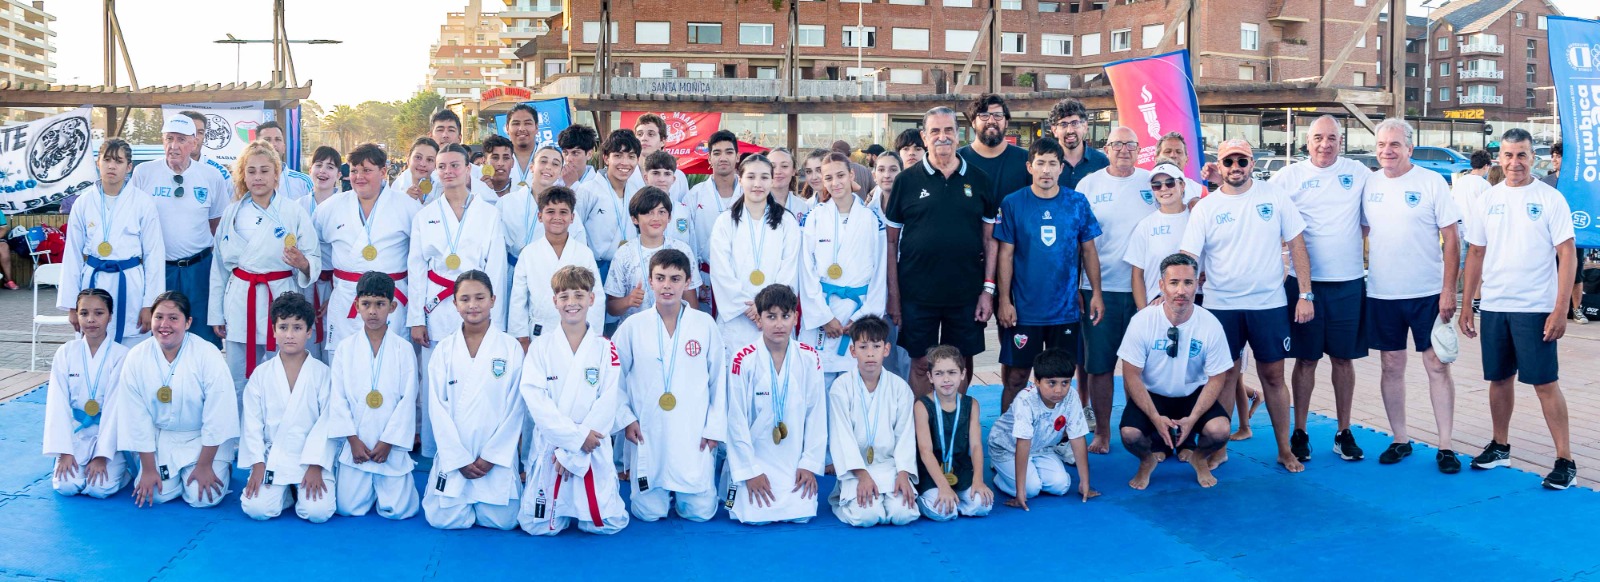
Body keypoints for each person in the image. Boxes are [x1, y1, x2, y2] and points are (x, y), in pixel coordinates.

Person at [1180, 138, 1313, 473]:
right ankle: (1219, 447)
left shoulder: (1273, 196)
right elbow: (1190, 257)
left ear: (1252, 163)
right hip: (1221, 305)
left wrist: (1305, 293)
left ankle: (1284, 449)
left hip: (1268, 303)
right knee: (1224, 377)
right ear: (1219, 167)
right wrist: (1178, 294)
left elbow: (1297, 242)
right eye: (1228, 162)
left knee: (1273, 375)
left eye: (1242, 161)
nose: (1235, 168)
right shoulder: (1207, 208)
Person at [1459, 129, 1579, 490]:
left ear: (1532, 157)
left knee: (1544, 383)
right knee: (1498, 379)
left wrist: (1560, 310)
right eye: (1508, 155)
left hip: (1535, 308)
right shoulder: (1487, 199)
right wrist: (1468, 304)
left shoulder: (1550, 198)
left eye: (1522, 155)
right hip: (1495, 305)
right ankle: (1500, 446)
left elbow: (1568, 253)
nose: (1515, 163)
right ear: (1499, 158)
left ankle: (1565, 459)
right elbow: (1476, 253)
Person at [1268, 115, 1371, 463]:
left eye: (1332, 138)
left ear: (1341, 141)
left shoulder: (1358, 173)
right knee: (1306, 359)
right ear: (1306, 141)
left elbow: (1371, 222)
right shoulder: (1288, 177)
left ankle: (1343, 431)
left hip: (1348, 283)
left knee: (1343, 360)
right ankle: (1300, 431)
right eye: (1318, 138)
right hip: (1304, 287)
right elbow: (1263, 213)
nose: (1325, 144)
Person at [1362, 118, 1463, 472]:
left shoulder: (1432, 182)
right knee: (1391, 365)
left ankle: (1446, 446)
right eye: (1381, 145)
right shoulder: (1369, 183)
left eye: (1394, 145)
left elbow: (1452, 238)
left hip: (1427, 293)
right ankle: (1400, 438)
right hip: (1383, 293)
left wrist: (1448, 290)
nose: (1387, 151)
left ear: (1409, 148)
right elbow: (1358, 230)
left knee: (1437, 365)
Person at [885, 107, 999, 396]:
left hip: (965, 293)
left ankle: (954, 425)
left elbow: (990, 241)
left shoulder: (980, 179)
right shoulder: (906, 181)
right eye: (935, 131)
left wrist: (987, 291)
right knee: (922, 363)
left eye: (948, 130)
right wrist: (894, 296)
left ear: (959, 134)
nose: (942, 137)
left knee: (959, 363)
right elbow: (890, 243)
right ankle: (926, 432)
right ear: (924, 136)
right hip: (917, 294)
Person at [614, 249, 725, 522]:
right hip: (648, 429)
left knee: (701, 513)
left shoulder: (705, 324)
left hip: (694, 430)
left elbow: (719, 381)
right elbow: (612, 376)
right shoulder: (632, 326)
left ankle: (691, 490)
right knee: (648, 512)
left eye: (675, 279)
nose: (667, 285)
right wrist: (626, 419)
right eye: (660, 278)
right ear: (650, 281)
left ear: (687, 282)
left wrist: (714, 428)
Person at [518, 265, 630, 536]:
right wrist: (573, 441)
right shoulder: (540, 347)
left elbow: (609, 398)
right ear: (554, 301)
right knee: (537, 526)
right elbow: (535, 400)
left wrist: (580, 446)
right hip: (553, 450)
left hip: (591, 449)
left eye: (579, 295)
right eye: (564, 296)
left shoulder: (606, 348)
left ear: (591, 299)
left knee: (606, 524)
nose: (572, 303)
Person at [995, 137, 1101, 413]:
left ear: (1061, 168)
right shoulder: (1013, 203)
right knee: (1017, 377)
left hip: (1064, 311)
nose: (1046, 170)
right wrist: (1004, 301)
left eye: (1052, 163)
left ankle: (1062, 436)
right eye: (1040, 163)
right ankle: (1009, 436)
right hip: (1025, 311)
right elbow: (1005, 254)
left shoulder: (1076, 202)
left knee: (1061, 381)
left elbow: (1089, 251)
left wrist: (1096, 294)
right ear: (1030, 166)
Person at [211, 140, 322, 394]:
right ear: (243, 175)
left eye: (264, 171)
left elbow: (314, 258)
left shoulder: (292, 212)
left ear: (276, 175)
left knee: (280, 375)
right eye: (251, 171)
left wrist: (302, 263)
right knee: (238, 375)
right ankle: (240, 430)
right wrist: (216, 313)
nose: (258, 177)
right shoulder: (232, 213)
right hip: (241, 298)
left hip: (279, 296)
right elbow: (219, 268)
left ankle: (279, 430)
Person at [1118, 254, 1235, 489]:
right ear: (1162, 286)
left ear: (1197, 285)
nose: (1181, 290)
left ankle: (1198, 458)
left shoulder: (1210, 324)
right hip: (1154, 394)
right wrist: (1153, 416)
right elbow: (1131, 374)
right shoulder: (1142, 321)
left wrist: (1193, 419)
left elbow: (1216, 378)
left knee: (1220, 430)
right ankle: (1147, 459)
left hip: (1192, 395)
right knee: (1129, 434)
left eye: (1188, 283)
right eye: (1173, 283)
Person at [113, 291, 240, 508]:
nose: (165, 324)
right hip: (160, 437)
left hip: (202, 438)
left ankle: (219, 465)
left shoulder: (207, 354)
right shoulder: (136, 356)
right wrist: (149, 469)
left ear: (188, 322)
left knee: (203, 499)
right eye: (159, 317)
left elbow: (218, 414)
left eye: (173, 318)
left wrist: (205, 465)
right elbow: (135, 417)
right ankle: (164, 472)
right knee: (157, 494)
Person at [422, 270, 527, 529]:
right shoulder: (445, 349)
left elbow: (517, 407)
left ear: (493, 300)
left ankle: (489, 479)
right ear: (455, 304)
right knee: (443, 519)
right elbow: (436, 407)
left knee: (505, 521)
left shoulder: (510, 347)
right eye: (465, 299)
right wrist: (458, 458)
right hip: (456, 454)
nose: (473, 305)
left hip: (494, 455)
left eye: (479, 297)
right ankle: (457, 476)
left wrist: (491, 456)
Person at [1075, 126, 1157, 451]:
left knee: (1146, 367)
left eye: (1130, 144)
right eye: (1117, 144)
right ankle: (1103, 433)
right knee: (1099, 366)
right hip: (1099, 290)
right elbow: (1077, 241)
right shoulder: (1089, 184)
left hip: (1146, 293)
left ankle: (1150, 429)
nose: (1124, 149)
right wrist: (1076, 287)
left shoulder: (1152, 181)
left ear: (1139, 150)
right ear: (1105, 148)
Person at [723, 285, 827, 525]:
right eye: (771, 316)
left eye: (785, 316)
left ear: (796, 317)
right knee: (752, 517)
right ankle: (737, 486)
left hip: (792, 460)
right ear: (758, 319)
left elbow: (816, 415)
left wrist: (809, 464)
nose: (779, 324)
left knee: (801, 515)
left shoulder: (810, 358)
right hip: (756, 458)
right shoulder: (742, 359)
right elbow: (735, 419)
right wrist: (750, 472)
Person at [130, 114, 230, 348]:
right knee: (161, 337)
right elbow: (133, 221)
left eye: (181, 140)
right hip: (159, 270)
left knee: (203, 338)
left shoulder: (211, 176)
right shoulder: (143, 173)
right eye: (169, 139)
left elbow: (218, 225)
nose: (173, 146)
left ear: (194, 143)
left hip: (199, 269)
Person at [327, 272, 420, 520]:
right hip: (356, 446)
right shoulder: (345, 349)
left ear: (392, 306)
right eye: (366, 304)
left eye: (380, 304)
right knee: (348, 508)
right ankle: (356, 458)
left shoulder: (404, 349)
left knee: (400, 511)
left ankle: (388, 464)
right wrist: (352, 440)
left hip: (390, 447)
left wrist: (389, 442)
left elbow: (408, 400)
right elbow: (338, 398)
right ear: (356, 305)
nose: (372, 312)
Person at [314, 144, 419, 361]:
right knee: (343, 362)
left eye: (366, 170)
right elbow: (320, 250)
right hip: (346, 297)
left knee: (390, 362)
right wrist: (330, 289)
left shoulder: (408, 207)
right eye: (354, 171)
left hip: (391, 297)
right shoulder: (329, 208)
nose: (359, 177)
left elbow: (419, 256)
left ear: (383, 172)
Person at [238, 292, 337, 523]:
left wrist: (316, 464)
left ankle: (296, 490)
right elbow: (251, 423)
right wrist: (258, 463)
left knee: (317, 513)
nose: (289, 335)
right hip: (274, 456)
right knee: (256, 509)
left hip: (310, 458)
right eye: (283, 327)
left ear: (309, 332)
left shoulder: (323, 374)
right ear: (273, 331)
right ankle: (287, 496)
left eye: (297, 327)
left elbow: (328, 423)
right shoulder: (261, 375)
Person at [59, 138, 165, 347]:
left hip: (130, 282)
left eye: (118, 161)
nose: (111, 166)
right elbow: (71, 253)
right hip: (93, 281)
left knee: (132, 346)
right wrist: (72, 304)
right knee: (94, 343)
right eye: (106, 159)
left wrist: (150, 304)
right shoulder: (83, 202)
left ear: (129, 167)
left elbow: (154, 255)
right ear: (98, 163)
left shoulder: (143, 203)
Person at [799, 152, 889, 385]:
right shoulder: (814, 217)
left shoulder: (872, 219)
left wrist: (862, 317)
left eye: (840, 175)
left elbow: (879, 273)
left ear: (851, 175)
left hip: (856, 311)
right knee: (818, 385)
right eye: (829, 178)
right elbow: (806, 270)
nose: (835, 183)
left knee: (856, 385)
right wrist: (823, 317)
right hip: (823, 310)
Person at [827, 315, 920, 527]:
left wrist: (903, 473)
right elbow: (841, 437)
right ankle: (840, 501)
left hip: (891, 466)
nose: (870, 353)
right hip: (856, 468)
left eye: (876, 346)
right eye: (863, 346)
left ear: (886, 350)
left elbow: (905, 435)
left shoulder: (900, 388)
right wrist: (861, 475)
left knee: (903, 515)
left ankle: (887, 497)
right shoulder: (841, 388)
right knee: (867, 517)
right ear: (853, 351)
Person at [709, 154, 803, 354]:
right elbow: (721, 272)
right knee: (735, 378)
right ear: (739, 178)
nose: (757, 184)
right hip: (737, 318)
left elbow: (789, 269)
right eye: (751, 177)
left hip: (774, 317)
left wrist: (768, 309)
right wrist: (750, 309)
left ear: (772, 180)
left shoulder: (787, 222)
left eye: (764, 177)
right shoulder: (725, 221)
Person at [44, 289, 132, 498]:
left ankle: (125, 470)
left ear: (110, 316)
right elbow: (57, 404)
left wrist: (102, 456)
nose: (91, 320)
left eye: (99, 313)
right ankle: (73, 459)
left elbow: (115, 408)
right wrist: (64, 451)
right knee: (66, 487)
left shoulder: (122, 355)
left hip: (109, 434)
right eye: (84, 313)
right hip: (77, 434)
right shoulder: (66, 352)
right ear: (77, 316)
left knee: (99, 489)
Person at [987, 348, 1096, 508]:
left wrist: (1085, 483)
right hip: (1007, 448)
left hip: (1042, 448)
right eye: (1051, 383)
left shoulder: (1071, 396)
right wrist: (1020, 493)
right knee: (1030, 490)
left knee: (1062, 486)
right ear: (1037, 381)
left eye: (1065, 382)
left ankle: (1023, 474)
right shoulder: (1025, 400)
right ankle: (1000, 471)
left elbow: (1077, 437)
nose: (1059, 390)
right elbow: (1022, 443)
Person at [509, 186, 604, 346]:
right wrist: (521, 337)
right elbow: (519, 299)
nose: (557, 217)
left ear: (572, 217)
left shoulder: (583, 253)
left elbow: (597, 297)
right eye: (550, 211)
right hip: (539, 333)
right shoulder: (528, 253)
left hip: (578, 332)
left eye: (563, 212)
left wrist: (593, 334)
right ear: (540, 216)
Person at [912, 345, 993, 521]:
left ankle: (956, 500)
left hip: (960, 468)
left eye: (952, 372)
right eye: (939, 373)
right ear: (930, 377)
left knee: (983, 504)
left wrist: (978, 480)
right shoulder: (922, 406)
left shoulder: (971, 405)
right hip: (931, 473)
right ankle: (924, 500)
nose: (946, 379)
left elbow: (976, 446)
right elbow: (925, 451)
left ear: (962, 374)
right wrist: (943, 486)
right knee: (944, 513)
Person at [606, 187, 702, 324]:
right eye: (649, 213)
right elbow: (611, 308)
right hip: (636, 331)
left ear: (669, 217)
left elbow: (691, 301)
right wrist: (628, 301)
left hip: (675, 330)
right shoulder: (624, 253)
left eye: (661, 212)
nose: (656, 218)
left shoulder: (682, 250)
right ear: (634, 219)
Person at [500, 144, 590, 275]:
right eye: (543, 161)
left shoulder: (566, 208)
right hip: (512, 271)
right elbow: (497, 247)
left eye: (555, 164)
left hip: (549, 274)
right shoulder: (507, 202)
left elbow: (578, 245)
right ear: (532, 167)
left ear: (560, 172)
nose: (548, 167)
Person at [575, 129, 643, 281]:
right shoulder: (587, 191)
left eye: (631, 157)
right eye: (618, 156)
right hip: (596, 270)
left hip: (631, 268)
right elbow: (574, 232)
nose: (625, 163)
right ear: (606, 158)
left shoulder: (638, 192)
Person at [1126, 162, 1196, 308]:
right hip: (1157, 304)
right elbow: (1137, 275)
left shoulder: (1198, 218)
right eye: (1157, 185)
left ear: (1182, 185)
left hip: (1196, 301)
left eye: (1170, 183)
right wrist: (1143, 312)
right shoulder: (1145, 225)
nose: (1163, 189)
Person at [300, 146, 346, 362]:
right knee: (306, 338)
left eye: (330, 167)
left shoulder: (348, 206)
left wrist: (337, 290)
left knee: (333, 336)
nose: (323, 171)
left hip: (334, 282)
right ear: (310, 170)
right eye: (318, 165)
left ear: (339, 175)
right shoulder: (297, 206)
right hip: (305, 282)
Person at [683, 130, 743, 276]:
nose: (723, 158)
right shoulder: (694, 195)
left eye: (729, 152)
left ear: (737, 157)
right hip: (704, 275)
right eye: (717, 153)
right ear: (709, 158)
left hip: (741, 274)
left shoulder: (748, 193)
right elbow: (684, 238)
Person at [1541, 141, 1588, 324]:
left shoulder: (1578, 182)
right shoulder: (1546, 182)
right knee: (1550, 272)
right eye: (1552, 156)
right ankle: (1552, 307)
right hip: (1549, 237)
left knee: (1576, 273)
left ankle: (1577, 309)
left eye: (1558, 156)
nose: (1554, 160)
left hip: (1574, 234)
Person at [957, 93, 1032, 201]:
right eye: (984, 115)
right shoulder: (958, 160)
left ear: (1006, 122)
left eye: (997, 115)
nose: (991, 121)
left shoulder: (1026, 160)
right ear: (973, 123)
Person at [642, 151, 697, 259]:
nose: (662, 179)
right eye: (656, 173)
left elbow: (692, 246)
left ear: (673, 179)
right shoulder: (638, 209)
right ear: (646, 177)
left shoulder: (684, 211)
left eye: (667, 174)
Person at [625, 113, 691, 202]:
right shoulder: (626, 175)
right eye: (640, 134)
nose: (644, 138)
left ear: (663, 141)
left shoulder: (678, 177)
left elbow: (683, 211)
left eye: (651, 134)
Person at [1046, 98, 1108, 191]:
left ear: (1085, 126)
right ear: (1054, 130)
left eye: (1075, 123)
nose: (1070, 130)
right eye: (1063, 124)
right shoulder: (1044, 163)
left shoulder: (1102, 162)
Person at [255, 121, 314, 201]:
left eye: (278, 139)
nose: (273, 144)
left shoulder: (304, 182)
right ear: (256, 147)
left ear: (284, 147)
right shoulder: (246, 182)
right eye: (267, 140)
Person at [179, 110, 236, 181]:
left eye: (200, 132)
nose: (196, 137)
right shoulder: (162, 168)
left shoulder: (220, 173)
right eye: (191, 131)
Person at [1155, 132, 1207, 205]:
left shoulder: (1200, 191)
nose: (1173, 155)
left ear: (1187, 159)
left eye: (1179, 152)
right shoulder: (1144, 185)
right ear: (1156, 158)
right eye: (1168, 151)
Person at [390, 137, 441, 205]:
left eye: (429, 160)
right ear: (408, 159)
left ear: (436, 164)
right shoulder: (397, 187)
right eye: (418, 157)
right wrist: (404, 201)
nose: (423, 164)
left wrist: (422, 203)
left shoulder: (442, 188)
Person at [554, 124, 603, 189]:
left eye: (575, 153)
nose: (569, 158)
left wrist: (573, 185)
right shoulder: (555, 181)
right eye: (565, 153)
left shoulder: (600, 185)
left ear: (589, 154)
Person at [866, 151, 901, 216]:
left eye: (893, 170)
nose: (886, 175)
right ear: (874, 176)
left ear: (903, 173)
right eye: (881, 170)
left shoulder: (912, 206)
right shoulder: (871, 209)